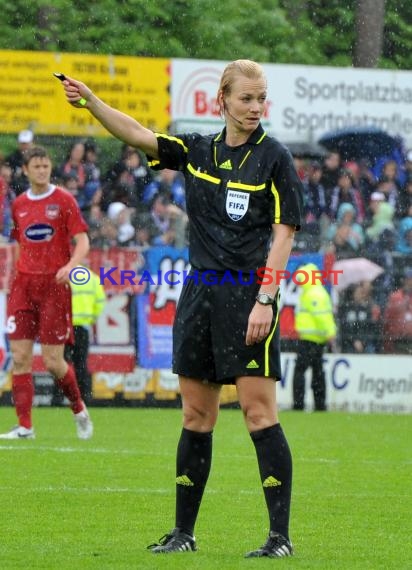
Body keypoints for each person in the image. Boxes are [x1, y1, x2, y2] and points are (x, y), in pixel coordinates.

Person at [59, 59, 303, 558]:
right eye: (246, 99)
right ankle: (183, 534)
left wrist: (265, 298)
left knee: (259, 414)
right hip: (198, 295)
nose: (256, 108)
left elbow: (285, 235)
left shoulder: (274, 157)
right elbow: (137, 135)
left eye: (261, 99)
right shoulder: (197, 150)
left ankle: (279, 538)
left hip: (248, 296)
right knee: (195, 414)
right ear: (223, 102)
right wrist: (93, 103)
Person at [0, 146, 93, 440]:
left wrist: (70, 265)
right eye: (36, 166)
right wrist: (11, 277)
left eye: (45, 165)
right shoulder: (19, 205)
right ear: (25, 170)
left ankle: (78, 407)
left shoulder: (63, 200)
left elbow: (83, 241)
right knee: (20, 356)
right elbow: (19, 242)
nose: (42, 170)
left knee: (53, 362)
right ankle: (25, 426)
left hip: (54, 287)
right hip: (23, 286)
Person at [53, 265, 106, 406]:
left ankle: (57, 397)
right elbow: (100, 302)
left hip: (65, 326)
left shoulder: (62, 275)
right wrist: (91, 318)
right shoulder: (93, 278)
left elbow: (54, 302)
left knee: (59, 363)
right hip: (82, 327)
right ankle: (85, 397)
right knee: (81, 363)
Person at [292, 263, 337, 411]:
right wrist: (329, 334)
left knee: (300, 371)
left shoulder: (312, 293)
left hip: (310, 339)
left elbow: (321, 317)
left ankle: (299, 405)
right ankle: (320, 405)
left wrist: (330, 333)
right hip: (317, 339)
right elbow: (325, 316)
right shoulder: (316, 291)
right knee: (318, 373)